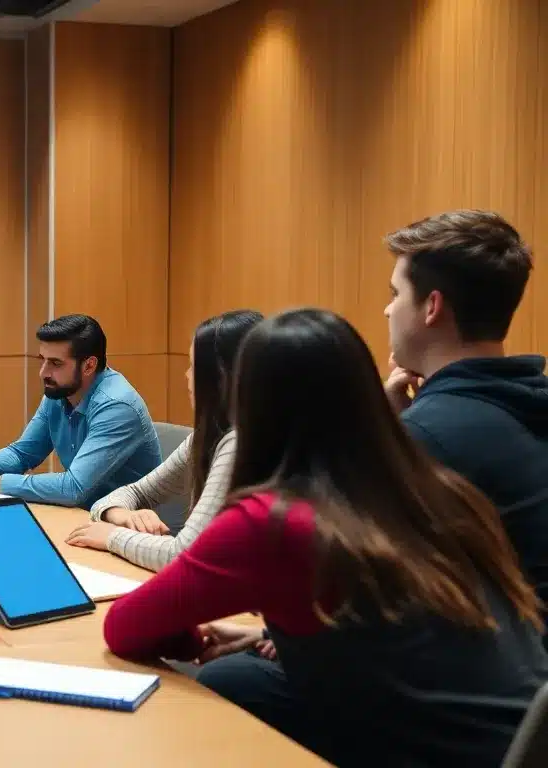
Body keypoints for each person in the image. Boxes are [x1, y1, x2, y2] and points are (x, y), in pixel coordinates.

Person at [103, 308, 548, 767]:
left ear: (250, 402)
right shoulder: (436, 487)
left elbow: (124, 628)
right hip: (516, 743)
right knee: (236, 678)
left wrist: (187, 635)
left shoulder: (273, 520)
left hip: (431, 752)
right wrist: (281, 636)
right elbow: (409, 631)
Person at [382, 209, 548, 640]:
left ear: (432, 307)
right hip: (531, 681)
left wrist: (393, 438)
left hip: (496, 681)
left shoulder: (434, 432)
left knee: (234, 678)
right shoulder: (525, 403)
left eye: (395, 293)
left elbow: (380, 592)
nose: (387, 309)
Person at [66, 310, 262, 570]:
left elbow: (184, 556)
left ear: (220, 377)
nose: (187, 376)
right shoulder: (206, 438)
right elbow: (131, 493)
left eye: (193, 366)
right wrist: (122, 514)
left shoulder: (238, 443)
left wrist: (112, 536)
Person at [0, 315, 160, 508]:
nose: (43, 372)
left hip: (128, 526)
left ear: (89, 366)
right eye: (43, 360)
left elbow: (74, 488)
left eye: (55, 363)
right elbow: (22, 454)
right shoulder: (59, 392)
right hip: (82, 516)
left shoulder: (116, 406)